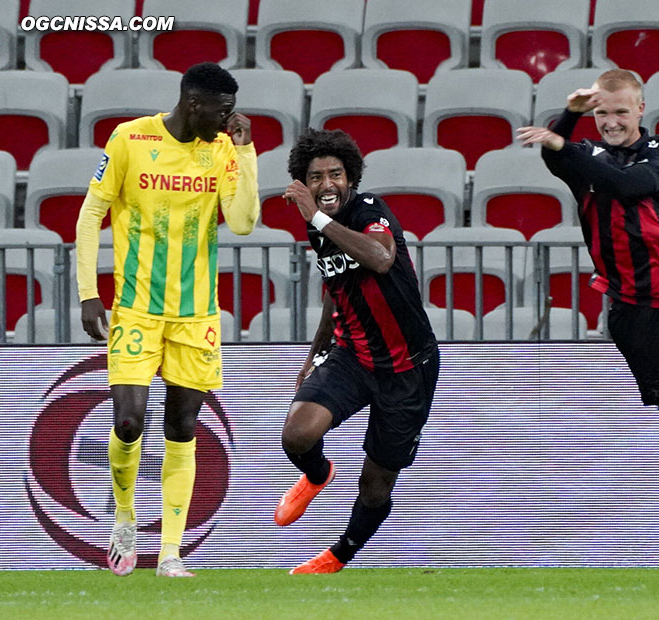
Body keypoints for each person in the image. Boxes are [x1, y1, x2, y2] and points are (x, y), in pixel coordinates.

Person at [517, 69, 659, 572]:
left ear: (641, 109)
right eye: (602, 113)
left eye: (621, 111)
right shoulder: (587, 156)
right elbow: (556, 156)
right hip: (626, 313)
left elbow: (624, 185)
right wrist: (570, 119)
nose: (612, 122)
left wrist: (566, 141)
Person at [75, 63, 259, 577]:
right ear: (193, 103)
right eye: (221, 112)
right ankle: (126, 515)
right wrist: (90, 293)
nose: (228, 121)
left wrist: (245, 152)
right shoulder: (130, 139)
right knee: (128, 422)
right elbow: (92, 213)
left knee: (181, 429)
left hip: (196, 314)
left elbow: (243, 222)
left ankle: (171, 554)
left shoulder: (221, 148)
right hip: (135, 307)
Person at [274, 128, 439, 574]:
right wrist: (315, 352)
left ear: (351, 178)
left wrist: (319, 219)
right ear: (301, 181)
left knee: (375, 485)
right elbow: (336, 287)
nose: (327, 184)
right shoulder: (319, 226)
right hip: (353, 355)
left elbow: (381, 259)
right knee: (297, 435)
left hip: (408, 365)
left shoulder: (369, 210)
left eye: (336, 174)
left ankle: (337, 556)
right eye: (315, 176)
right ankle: (316, 474)